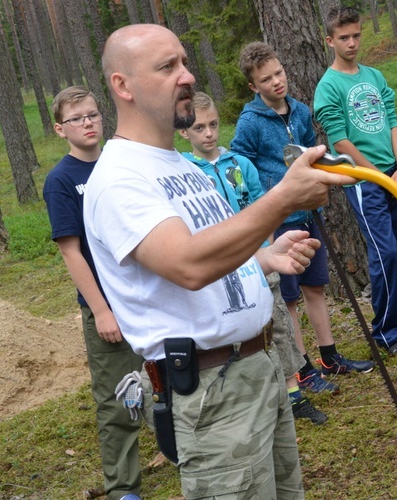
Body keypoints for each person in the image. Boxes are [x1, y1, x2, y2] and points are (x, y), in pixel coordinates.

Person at [84, 24, 355, 499]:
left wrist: (264, 258)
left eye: (185, 62)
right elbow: (187, 264)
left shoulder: (182, 166)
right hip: (210, 390)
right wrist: (281, 198)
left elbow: (212, 245)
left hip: (258, 366)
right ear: (122, 86)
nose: (186, 76)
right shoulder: (119, 178)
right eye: (167, 67)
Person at [231, 41, 374, 394]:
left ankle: (329, 356)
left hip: (310, 213)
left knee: (315, 287)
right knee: (290, 298)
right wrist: (268, 197)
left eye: (279, 73)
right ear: (253, 87)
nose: (276, 82)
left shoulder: (298, 110)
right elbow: (240, 166)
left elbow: (312, 152)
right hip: (279, 220)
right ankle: (303, 367)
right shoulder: (250, 123)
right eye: (266, 79)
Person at [179, 91, 327, 425]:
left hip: (260, 259)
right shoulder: (187, 172)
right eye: (199, 127)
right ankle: (253, 399)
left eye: (213, 124)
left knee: (279, 324)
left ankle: (293, 393)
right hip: (223, 267)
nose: (208, 133)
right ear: (184, 132)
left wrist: (270, 251)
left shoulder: (240, 164)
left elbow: (263, 205)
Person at [314, 6, 397, 355]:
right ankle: (386, 332)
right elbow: (341, 142)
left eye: (355, 35)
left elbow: (393, 123)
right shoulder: (329, 87)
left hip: (392, 175)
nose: (351, 43)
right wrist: (377, 176)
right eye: (343, 38)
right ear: (330, 41)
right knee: (385, 253)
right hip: (365, 182)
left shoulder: (375, 76)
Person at [42, 86, 144, 500]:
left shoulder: (119, 166)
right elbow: (72, 252)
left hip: (144, 294)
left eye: (92, 115)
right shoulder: (62, 180)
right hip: (107, 304)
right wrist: (101, 310)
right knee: (118, 396)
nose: (87, 123)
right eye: (77, 119)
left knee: (168, 380)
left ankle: (182, 454)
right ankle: (123, 488)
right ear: (60, 129)